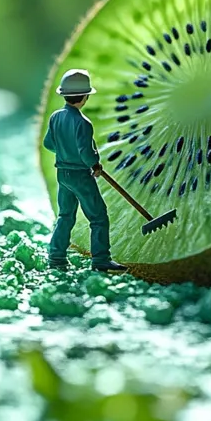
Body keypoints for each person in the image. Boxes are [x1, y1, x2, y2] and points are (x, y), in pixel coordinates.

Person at [42, 68, 126, 273]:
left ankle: (56, 257)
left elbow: (48, 144)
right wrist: (95, 164)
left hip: (62, 173)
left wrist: (63, 151)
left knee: (65, 216)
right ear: (85, 96)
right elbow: (85, 152)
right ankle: (101, 260)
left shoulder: (55, 117)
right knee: (98, 217)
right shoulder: (83, 123)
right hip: (80, 175)